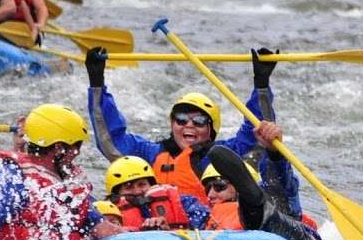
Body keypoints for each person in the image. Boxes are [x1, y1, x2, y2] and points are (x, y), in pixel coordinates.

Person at [85, 46, 291, 206]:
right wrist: (97, 83)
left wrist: (261, 85)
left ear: (211, 130)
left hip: (206, 229)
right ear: (172, 124)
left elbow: (257, 132)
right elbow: (110, 140)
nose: (189, 125)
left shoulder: (222, 155)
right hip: (157, 228)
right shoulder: (150, 153)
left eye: (199, 121)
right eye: (181, 119)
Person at [0, 103, 124, 240]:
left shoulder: (69, 183)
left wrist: (142, 237)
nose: (77, 153)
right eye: (76, 146)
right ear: (58, 148)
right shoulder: (12, 176)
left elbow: (102, 229)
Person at [203, 145, 325, 240]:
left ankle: (255, 209)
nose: (210, 195)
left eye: (219, 186)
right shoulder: (205, 216)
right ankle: (255, 211)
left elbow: (282, 186)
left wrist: (274, 154)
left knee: (276, 206)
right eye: (208, 188)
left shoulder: (273, 200)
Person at [104, 155, 209, 231]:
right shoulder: (107, 214)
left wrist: (170, 231)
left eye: (142, 184)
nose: (137, 191)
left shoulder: (184, 202)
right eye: (129, 187)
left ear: (152, 185)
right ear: (116, 194)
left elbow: (205, 223)